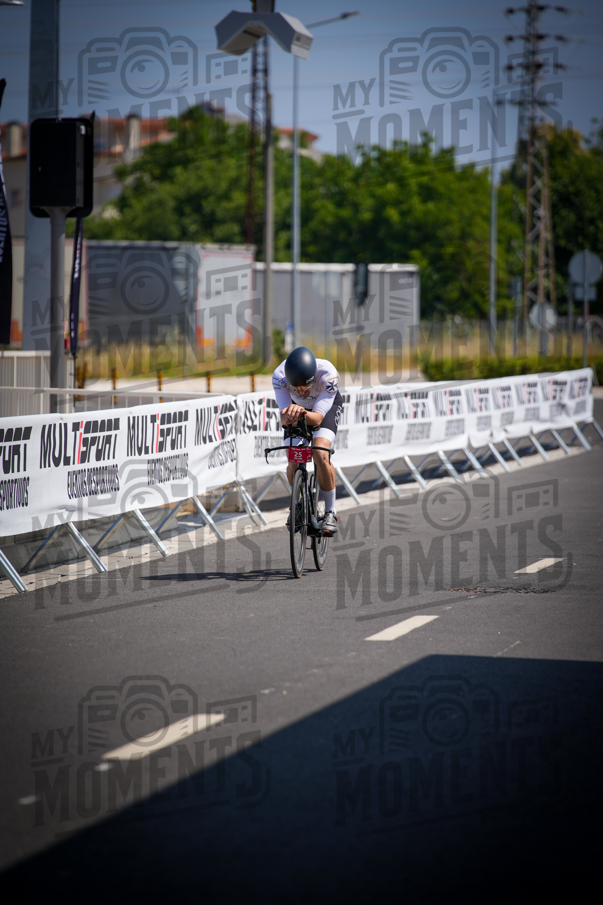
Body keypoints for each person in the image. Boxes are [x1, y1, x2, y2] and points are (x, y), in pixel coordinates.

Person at [272, 346, 341, 536]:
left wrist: (300, 413)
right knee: (293, 459)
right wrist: (288, 416)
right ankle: (298, 504)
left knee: (320, 453)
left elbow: (318, 419)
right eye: (296, 388)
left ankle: (330, 512)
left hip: (324, 409)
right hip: (297, 410)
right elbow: (284, 419)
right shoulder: (279, 376)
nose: (302, 392)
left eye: (306, 387)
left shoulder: (328, 374)